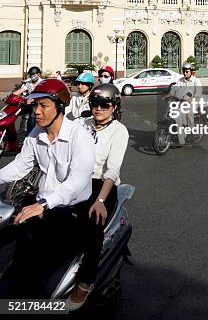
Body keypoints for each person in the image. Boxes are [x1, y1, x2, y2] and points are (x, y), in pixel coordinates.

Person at [0, 79, 95, 297]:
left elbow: (77, 182)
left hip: (71, 210)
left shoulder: (79, 136)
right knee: (15, 244)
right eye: (35, 106)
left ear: (60, 107)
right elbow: (19, 166)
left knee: (44, 268)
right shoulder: (36, 133)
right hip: (41, 205)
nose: (37, 112)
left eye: (44, 105)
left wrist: (44, 204)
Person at [67, 84, 129, 311]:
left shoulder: (118, 131)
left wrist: (100, 200)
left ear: (114, 107)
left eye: (105, 104)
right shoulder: (81, 124)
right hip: (77, 180)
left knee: (93, 224)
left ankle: (86, 281)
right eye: (95, 104)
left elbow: (112, 170)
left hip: (102, 185)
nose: (99, 108)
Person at [167, 62, 203, 146]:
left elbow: (198, 93)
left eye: (187, 71)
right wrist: (170, 96)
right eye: (184, 71)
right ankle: (180, 137)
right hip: (181, 101)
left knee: (188, 113)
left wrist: (191, 98)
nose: (185, 73)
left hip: (193, 102)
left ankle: (192, 133)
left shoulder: (196, 81)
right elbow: (174, 89)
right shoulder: (180, 80)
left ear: (191, 72)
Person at [13, 66, 43, 134]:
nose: (32, 76)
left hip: (39, 104)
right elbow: (21, 90)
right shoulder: (29, 83)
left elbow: (42, 95)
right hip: (29, 103)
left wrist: (32, 100)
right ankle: (22, 130)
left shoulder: (42, 83)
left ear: (38, 74)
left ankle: (32, 133)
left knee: (32, 115)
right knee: (18, 110)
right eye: (31, 75)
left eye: (34, 74)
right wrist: (11, 96)